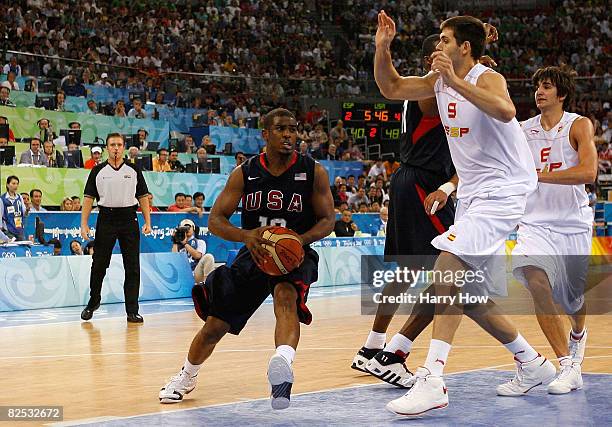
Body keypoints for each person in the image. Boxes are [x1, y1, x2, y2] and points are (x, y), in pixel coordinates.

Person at [374, 13, 554, 415]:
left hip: (504, 189)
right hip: (474, 195)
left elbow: (506, 111)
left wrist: (454, 82)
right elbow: (391, 86)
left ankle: (433, 378)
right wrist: (382, 47)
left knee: (447, 266)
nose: (437, 45)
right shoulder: (438, 83)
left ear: (464, 47)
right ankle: (532, 363)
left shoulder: (484, 78)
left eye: (444, 39)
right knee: (466, 294)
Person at [159, 108, 335, 409]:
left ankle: (282, 368)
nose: (289, 134)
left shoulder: (313, 171)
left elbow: (328, 220)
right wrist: (247, 236)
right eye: (280, 129)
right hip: (253, 252)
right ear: (265, 134)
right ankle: (187, 375)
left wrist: (298, 241)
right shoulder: (245, 172)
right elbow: (216, 220)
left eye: (293, 129)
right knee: (215, 325)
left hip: (294, 255)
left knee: (285, 297)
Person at [351, 35, 456, 384]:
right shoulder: (430, 91)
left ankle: (372, 347)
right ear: (432, 59)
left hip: (415, 181)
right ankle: (395, 352)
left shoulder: (436, 88)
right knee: (454, 271)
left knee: (410, 272)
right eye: (447, 51)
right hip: (422, 185)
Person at [511, 66, 596, 394]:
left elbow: (588, 172)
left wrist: (538, 176)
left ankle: (578, 334)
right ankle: (567, 364)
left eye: (547, 87)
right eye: (537, 87)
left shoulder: (578, 125)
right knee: (536, 280)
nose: (539, 92)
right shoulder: (522, 130)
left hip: (572, 224)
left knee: (572, 299)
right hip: (534, 222)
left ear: (561, 94)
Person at [80, 133, 151, 323]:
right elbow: (88, 198)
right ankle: (93, 301)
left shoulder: (134, 169)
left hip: (129, 218)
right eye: (112, 144)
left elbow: (143, 196)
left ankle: (132, 310)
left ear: (124, 147)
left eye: (119, 144)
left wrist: (147, 221)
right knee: (99, 265)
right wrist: (84, 223)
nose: (116, 148)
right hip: (106, 218)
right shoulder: (98, 171)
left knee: (132, 267)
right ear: (107, 148)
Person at [171, 218, 216, 283]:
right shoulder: (177, 245)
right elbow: (174, 259)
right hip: (182, 274)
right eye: (184, 228)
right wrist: (175, 241)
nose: (187, 229)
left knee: (209, 257)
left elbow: (197, 256)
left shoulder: (200, 242)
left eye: (189, 227)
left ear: (193, 228)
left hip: (195, 273)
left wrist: (185, 243)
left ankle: (207, 284)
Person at [0, 176, 27, 241]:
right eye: (13, 183)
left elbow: (24, 213)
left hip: (19, 230)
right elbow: (0, 215)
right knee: (13, 249)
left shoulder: (20, 197)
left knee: (22, 249)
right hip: (8, 231)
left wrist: (27, 210)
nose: (16, 186)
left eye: (17, 184)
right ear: (7, 184)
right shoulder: (2, 199)